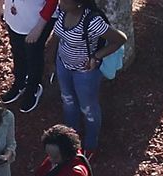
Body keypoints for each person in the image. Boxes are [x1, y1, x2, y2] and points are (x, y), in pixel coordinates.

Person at [50, 0, 123, 152]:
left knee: (88, 108)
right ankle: (70, 138)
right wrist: (51, 58)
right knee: (68, 100)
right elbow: (57, 35)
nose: (60, 3)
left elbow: (119, 39)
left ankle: (90, 144)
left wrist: (97, 57)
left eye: (65, 1)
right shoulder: (62, 11)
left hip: (85, 73)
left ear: (78, 4)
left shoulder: (92, 21)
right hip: (63, 65)